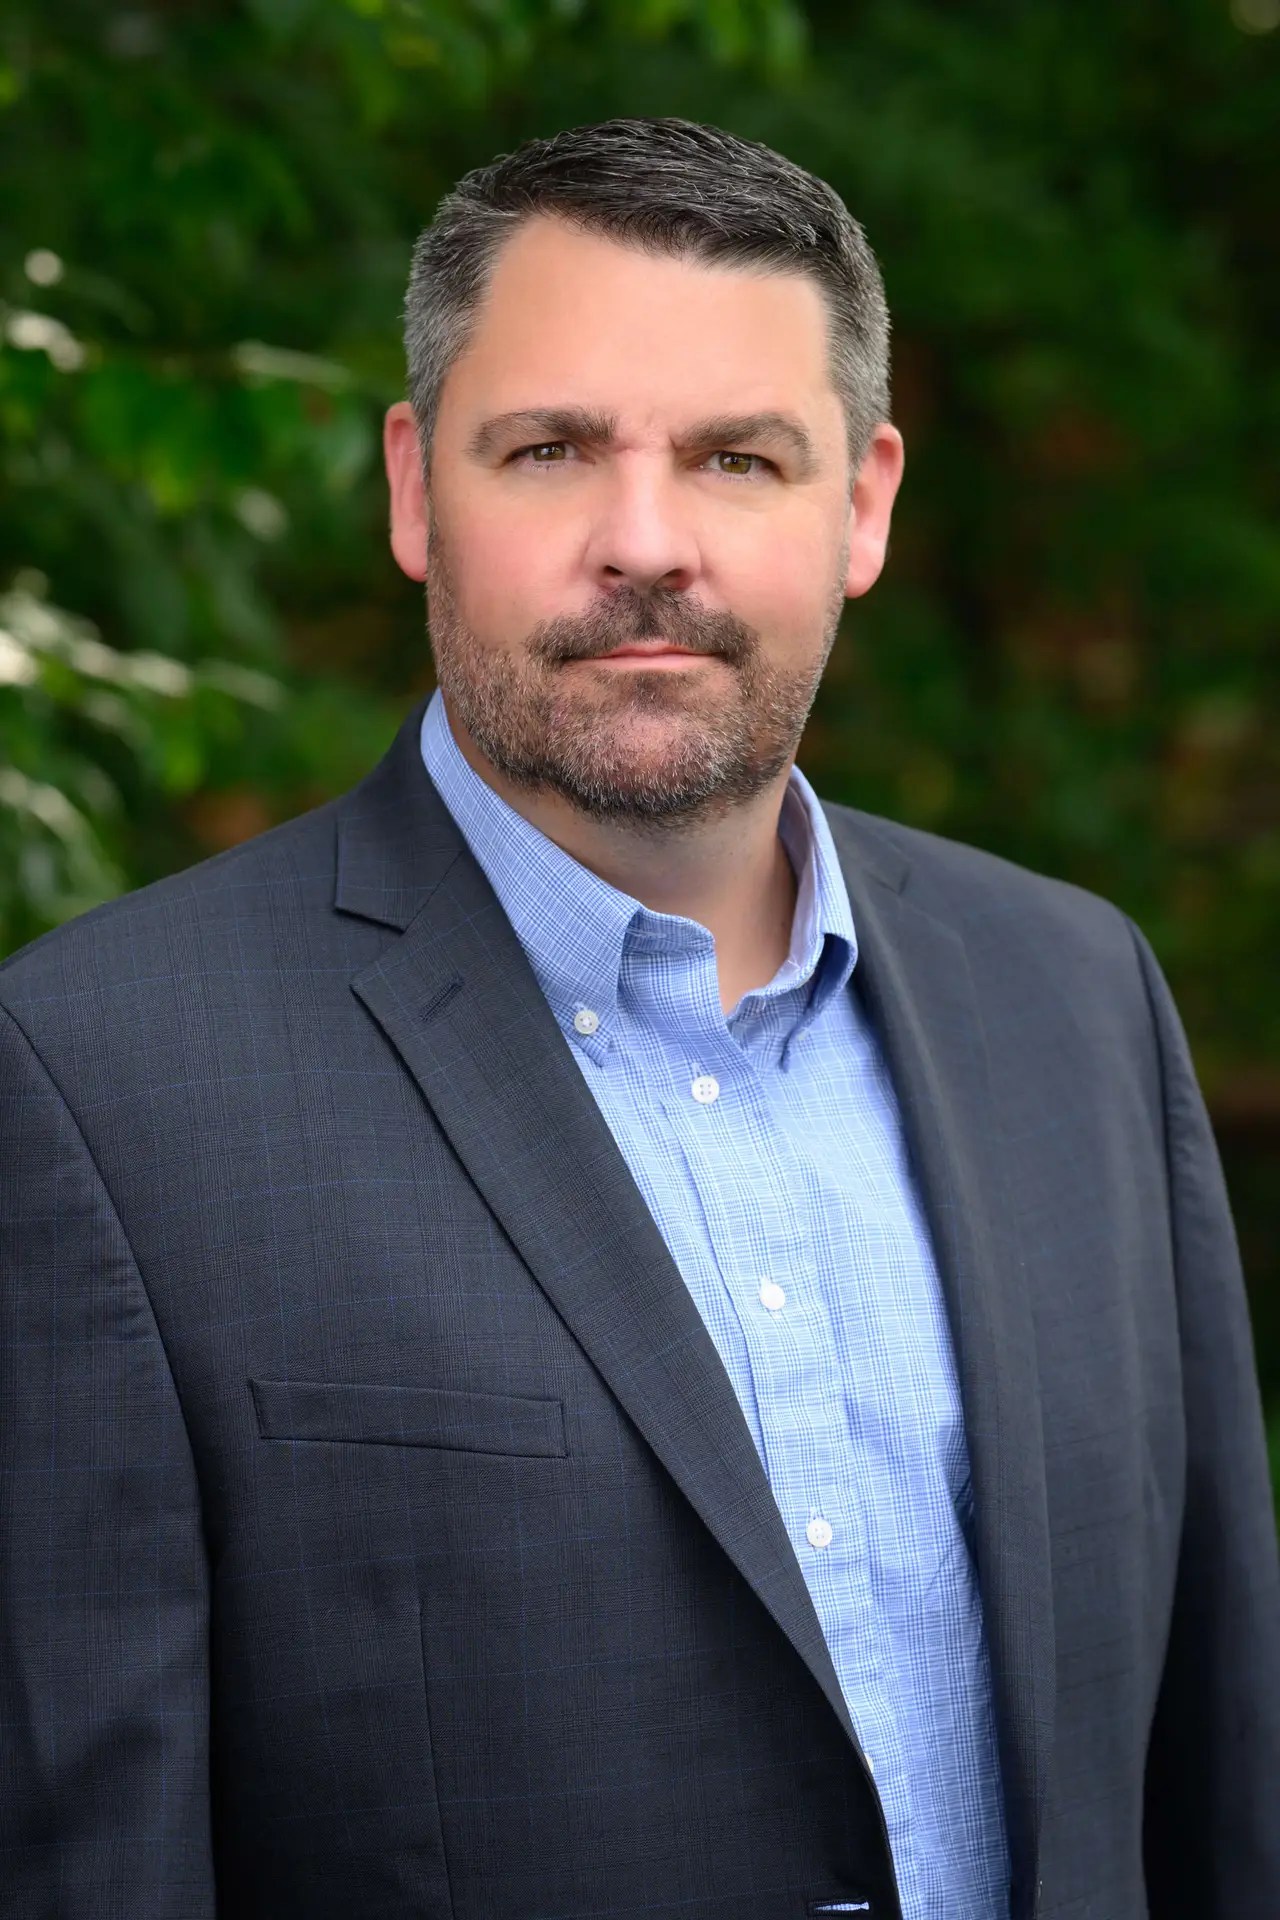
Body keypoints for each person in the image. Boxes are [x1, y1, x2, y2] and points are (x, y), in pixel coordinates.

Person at [0, 116, 1276, 1920]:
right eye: (549, 450)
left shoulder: (1077, 1000)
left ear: (864, 507)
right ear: (411, 489)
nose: (646, 544)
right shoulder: (92, 1084)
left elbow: (1216, 1777)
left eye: (742, 459)